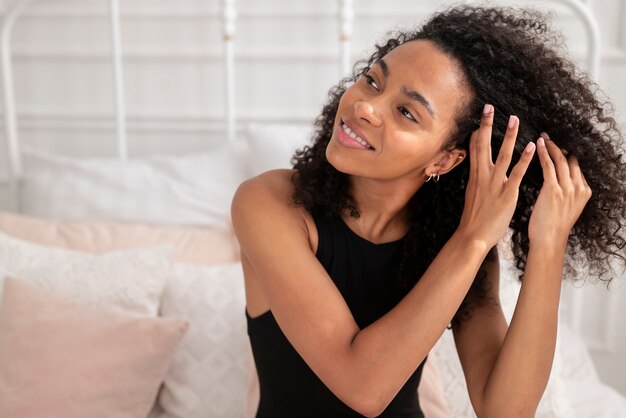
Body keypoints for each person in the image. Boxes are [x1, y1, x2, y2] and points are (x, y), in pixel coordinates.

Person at [231, 5, 626, 417]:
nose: (366, 107)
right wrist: (472, 241)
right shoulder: (269, 203)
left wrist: (549, 243)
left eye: (406, 112)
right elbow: (363, 387)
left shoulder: (455, 243)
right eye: (372, 81)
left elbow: (505, 411)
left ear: (445, 160)